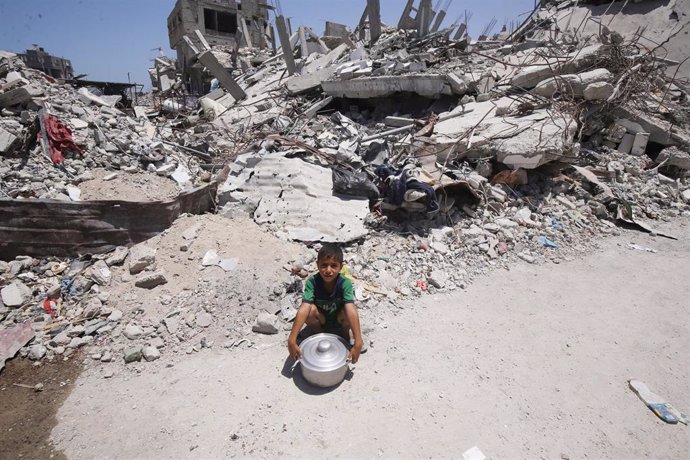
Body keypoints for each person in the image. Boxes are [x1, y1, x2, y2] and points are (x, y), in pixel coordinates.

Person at [287, 244, 364, 364]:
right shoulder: (312, 282)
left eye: (333, 266)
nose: (328, 270)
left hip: (338, 319)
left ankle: (344, 336)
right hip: (321, 319)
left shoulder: (345, 283)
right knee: (309, 310)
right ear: (317, 265)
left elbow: (351, 310)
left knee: (348, 310)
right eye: (324, 265)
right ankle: (320, 335)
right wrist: (292, 339)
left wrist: (358, 342)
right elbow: (304, 308)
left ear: (340, 267)